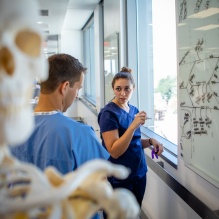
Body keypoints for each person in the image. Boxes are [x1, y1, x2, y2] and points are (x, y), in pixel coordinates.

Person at [11, 53, 109, 176]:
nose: (77, 95)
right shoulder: (80, 135)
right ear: (65, 87)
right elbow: (99, 183)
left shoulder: (13, 133)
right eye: (78, 89)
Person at [98, 66, 164, 212]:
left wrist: (151, 141)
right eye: (118, 89)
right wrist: (133, 126)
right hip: (120, 178)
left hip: (139, 173)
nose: (123, 93)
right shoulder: (108, 114)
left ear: (133, 88)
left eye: (127, 89)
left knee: (134, 212)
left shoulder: (133, 110)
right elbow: (115, 151)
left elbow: (133, 142)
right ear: (113, 89)